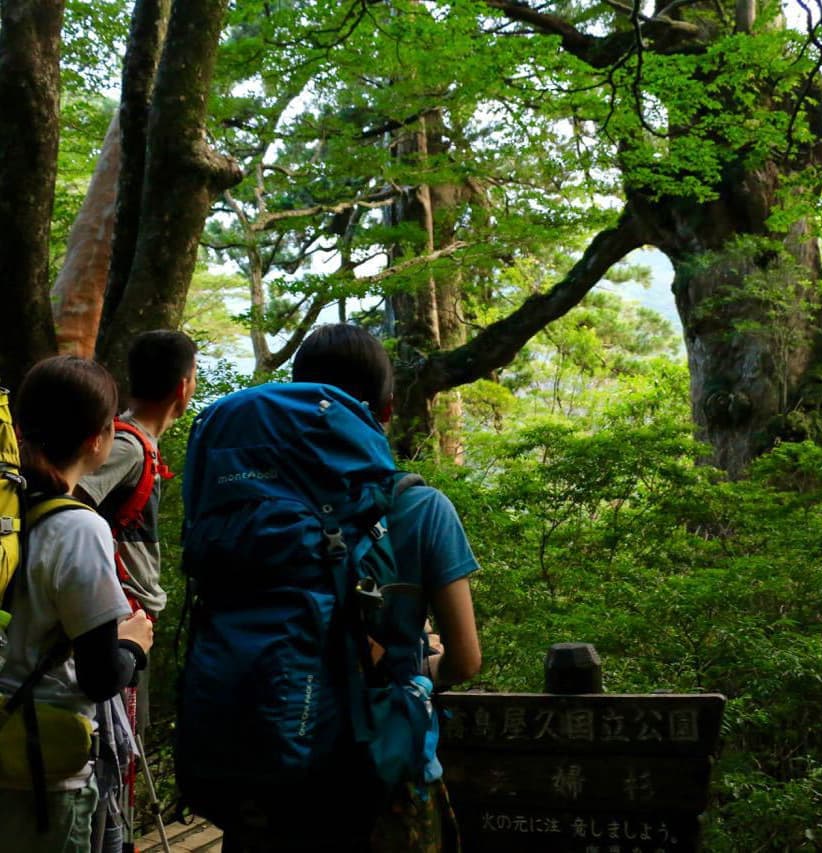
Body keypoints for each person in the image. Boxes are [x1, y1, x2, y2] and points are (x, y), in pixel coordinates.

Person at [223, 323, 482, 852]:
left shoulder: (248, 506)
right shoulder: (423, 508)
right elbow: (465, 659)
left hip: (269, 768)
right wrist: (416, 664)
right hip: (383, 777)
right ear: (385, 411)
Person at [0, 356, 153, 852]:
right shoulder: (79, 528)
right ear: (100, 437)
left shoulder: (9, 512)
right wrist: (133, 646)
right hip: (41, 771)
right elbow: (99, 675)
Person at [75, 329, 197, 730]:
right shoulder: (127, 447)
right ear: (183, 386)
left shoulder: (136, 443)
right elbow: (69, 500)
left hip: (126, 621)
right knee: (119, 745)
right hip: (113, 622)